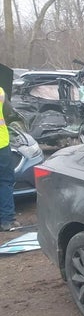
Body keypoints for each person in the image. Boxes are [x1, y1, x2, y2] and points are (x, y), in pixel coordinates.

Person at [0, 85, 20, 231]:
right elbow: (9, 113)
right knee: (5, 181)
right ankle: (7, 220)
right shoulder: (0, 91)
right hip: (1, 144)